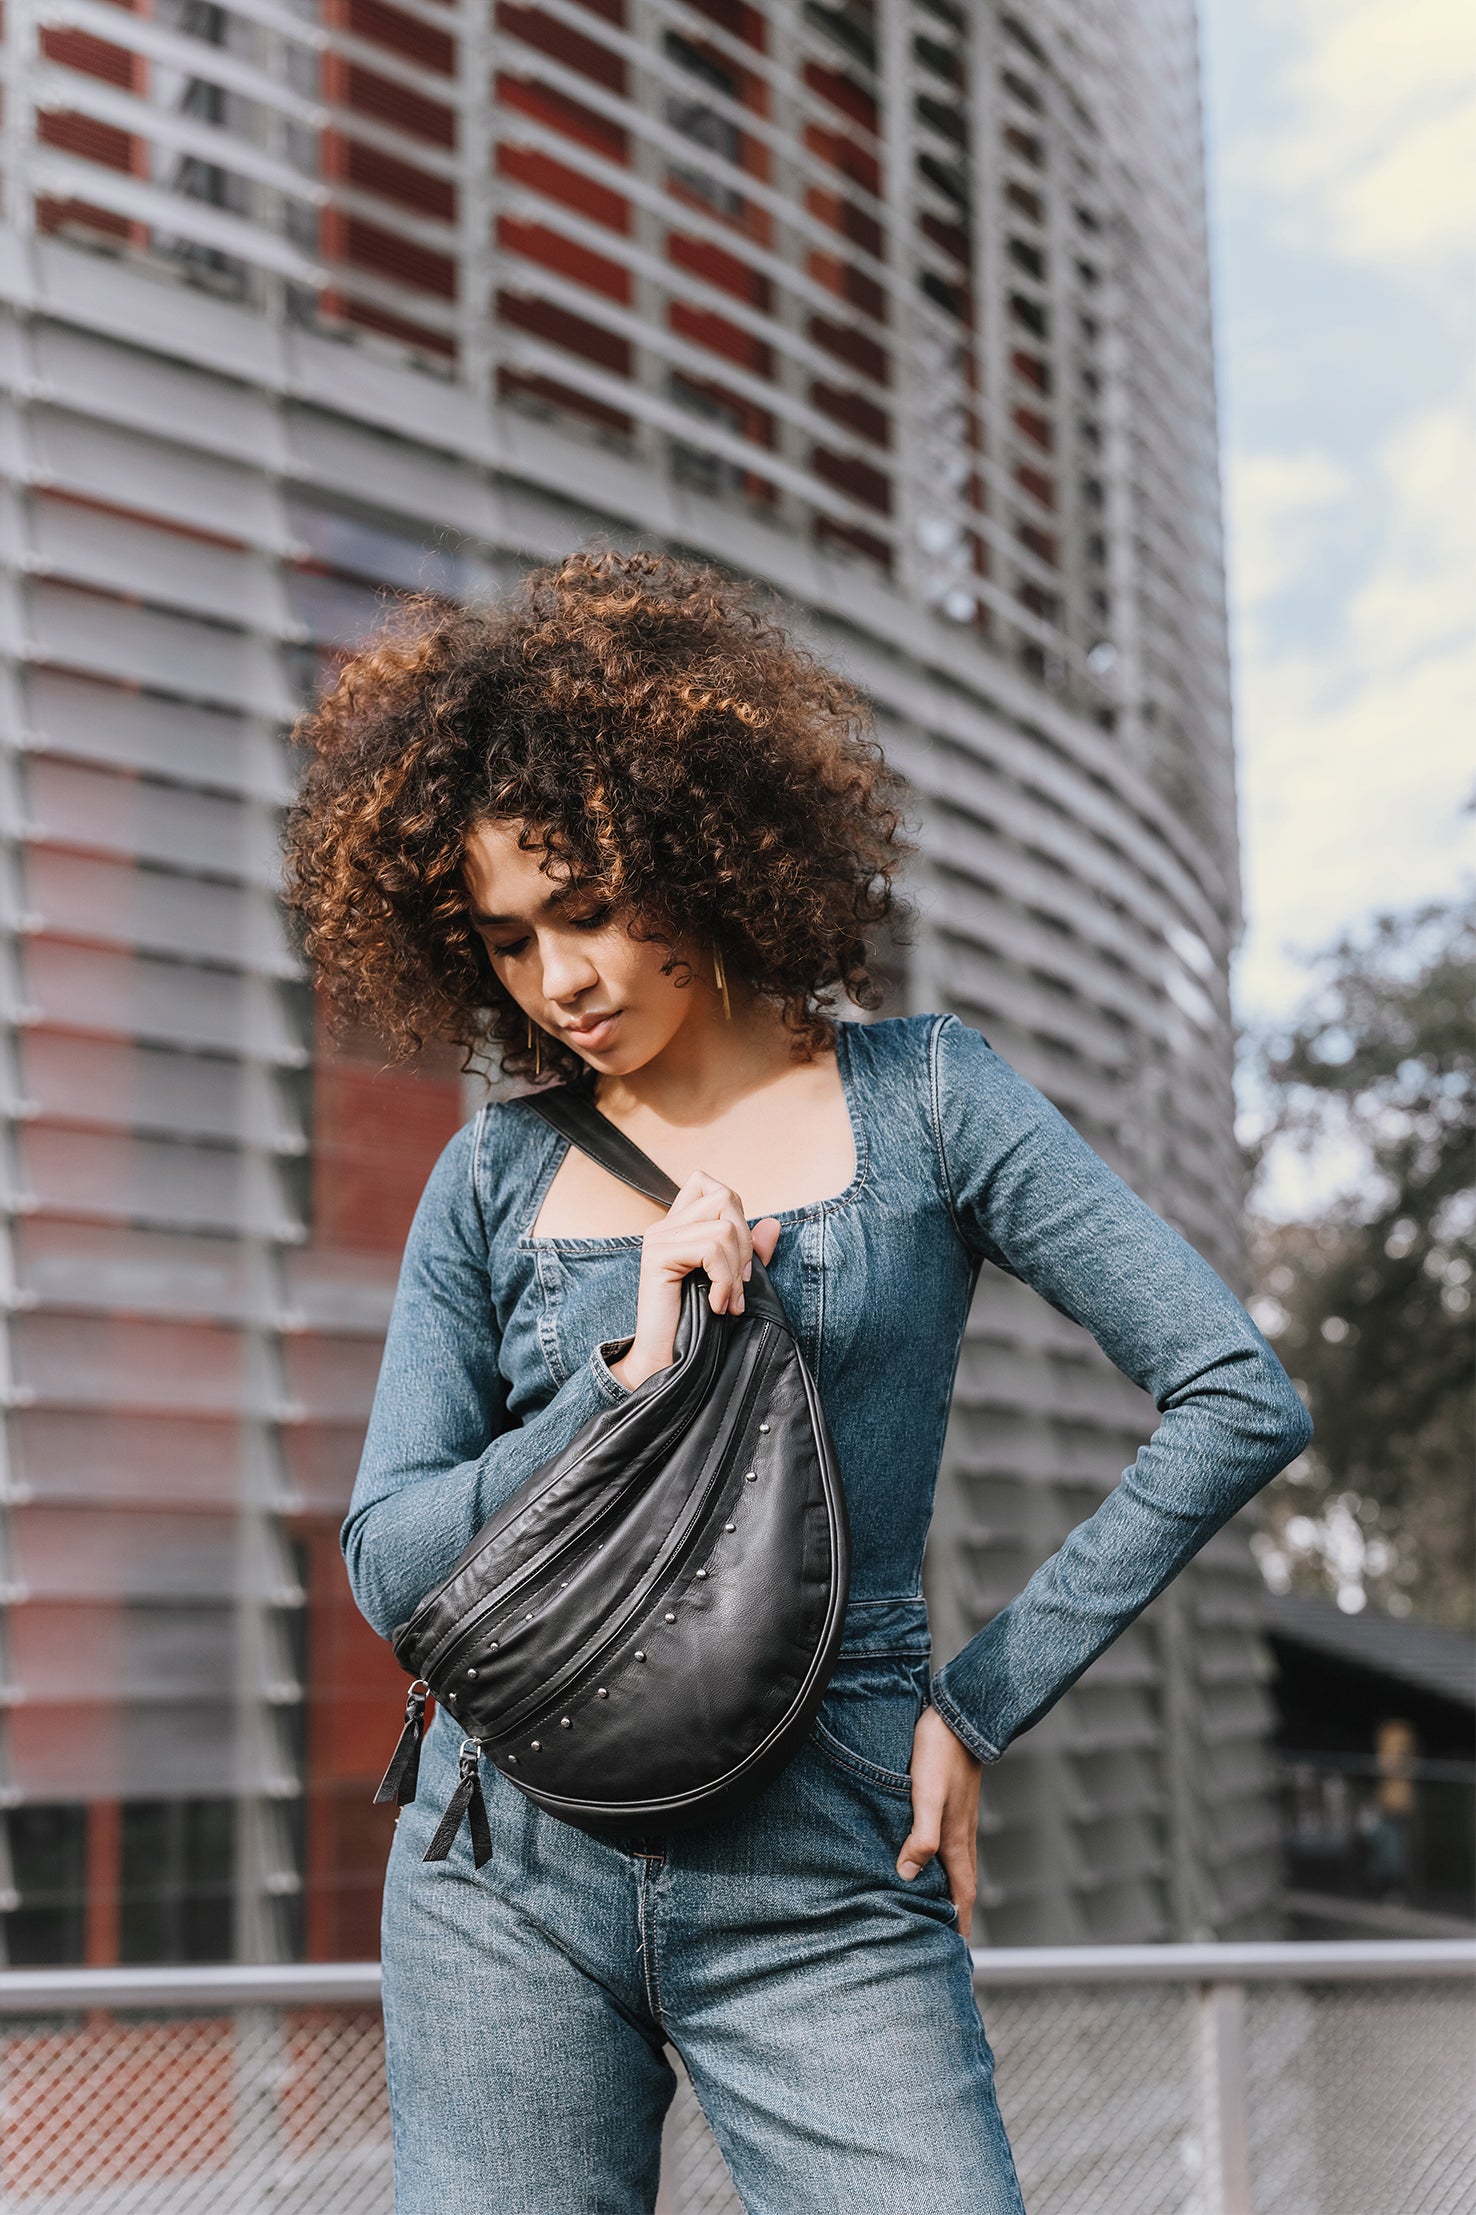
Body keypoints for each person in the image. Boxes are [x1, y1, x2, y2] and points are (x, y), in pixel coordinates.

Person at [283, 549, 1312, 2215]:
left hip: (824, 1863)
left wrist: (978, 1704)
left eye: (595, 902)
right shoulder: (490, 1178)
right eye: (515, 938)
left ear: (703, 847)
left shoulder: (931, 1102)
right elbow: (390, 1561)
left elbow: (1235, 1396)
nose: (567, 980)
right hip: (501, 1871)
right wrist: (625, 1377)